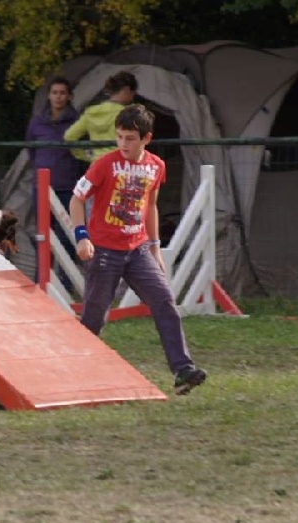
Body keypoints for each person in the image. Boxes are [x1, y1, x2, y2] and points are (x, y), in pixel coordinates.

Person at [68, 104, 207, 395]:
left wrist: (155, 247)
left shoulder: (156, 166)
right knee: (94, 317)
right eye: (119, 137)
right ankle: (74, 372)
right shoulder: (105, 164)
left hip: (138, 250)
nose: (123, 144)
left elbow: (151, 205)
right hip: (104, 251)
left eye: (130, 138)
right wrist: (82, 236)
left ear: (146, 138)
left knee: (165, 303)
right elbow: (77, 200)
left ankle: (183, 369)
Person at [25, 76, 84, 288]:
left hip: (68, 185)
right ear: (49, 95)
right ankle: (42, 279)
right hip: (42, 186)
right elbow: (31, 150)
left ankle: (66, 282)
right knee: (42, 233)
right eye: (55, 93)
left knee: (67, 235)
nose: (58, 97)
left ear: (69, 96)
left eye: (62, 93)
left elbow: (82, 152)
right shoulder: (37, 121)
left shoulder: (77, 121)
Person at [64, 70, 138, 164]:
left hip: (97, 166)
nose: (132, 98)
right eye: (133, 94)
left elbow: (69, 136)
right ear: (127, 90)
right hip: (120, 168)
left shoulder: (91, 112)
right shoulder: (127, 114)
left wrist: (86, 155)